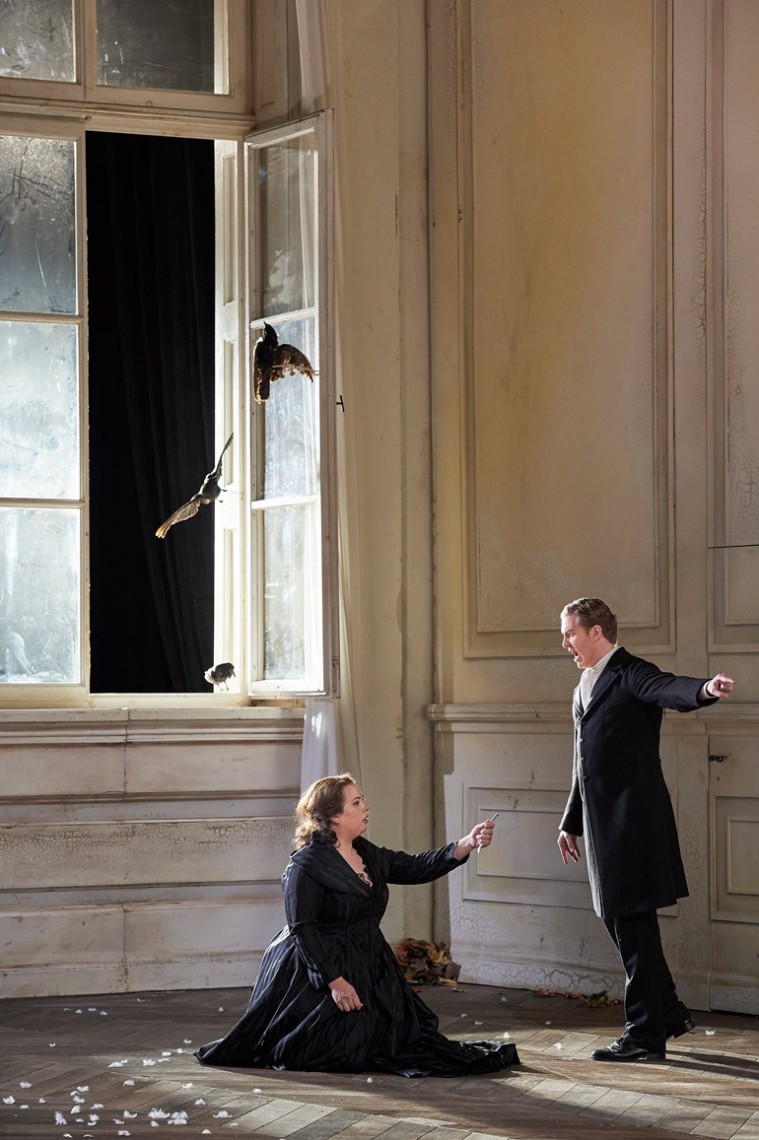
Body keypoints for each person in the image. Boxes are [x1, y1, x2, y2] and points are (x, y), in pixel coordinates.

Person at [196, 773, 519, 1076]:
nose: (366, 807)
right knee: (330, 1049)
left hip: (368, 960)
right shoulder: (304, 866)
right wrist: (335, 982)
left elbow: (415, 867)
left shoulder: (366, 854)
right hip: (319, 966)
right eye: (356, 803)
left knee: (401, 1041)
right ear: (334, 816)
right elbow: (303, 929)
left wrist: (466, 843)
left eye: (362, 800)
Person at [557, 597, 735, 1063]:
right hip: (600, 826)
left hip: (632, 822)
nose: (565, 642)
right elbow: (583, 760)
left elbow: (667, 688)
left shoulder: (631, 672)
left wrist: (705, 690)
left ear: (596, 632)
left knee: (633, 927)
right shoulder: (583, 684)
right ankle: (669, 1013)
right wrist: (570, 822)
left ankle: (643, 1035)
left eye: (571, 632)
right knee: (622, 922)